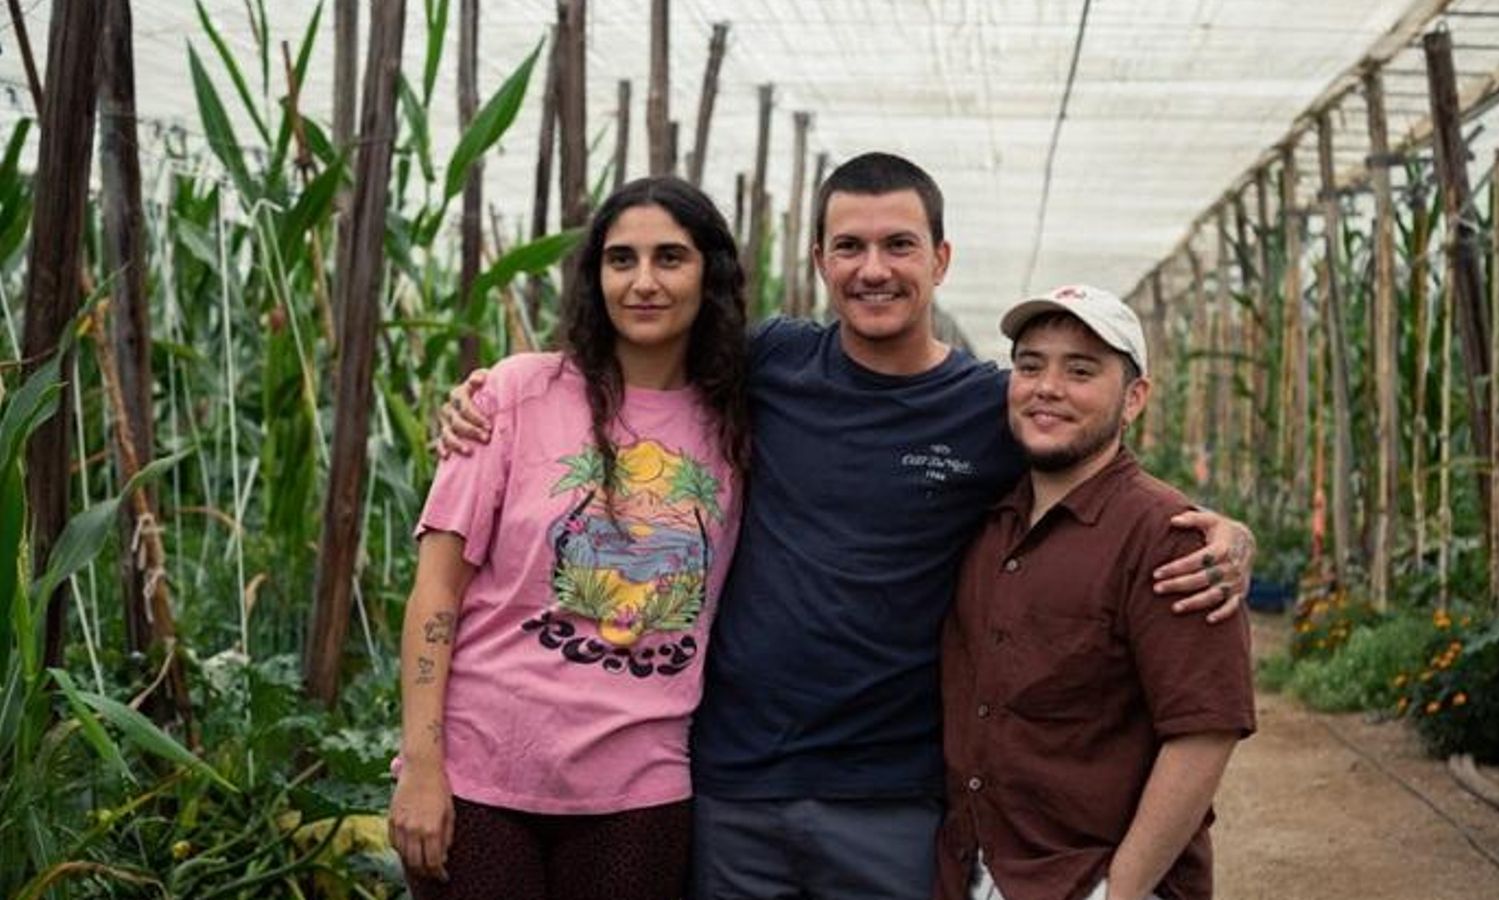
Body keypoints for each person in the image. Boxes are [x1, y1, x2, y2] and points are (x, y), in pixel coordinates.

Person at [436, 153, 1255, 900]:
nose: (873, 270)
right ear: (820, 262)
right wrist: (492, 395)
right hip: (734, 782)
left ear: (940, 260)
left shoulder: (986, 407)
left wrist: (1220, 531)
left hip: (890, 797)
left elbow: (1085, 455)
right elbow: (622, 378)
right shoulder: (764, 365)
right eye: (849, 247)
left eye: (899, 245)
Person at [388, 175, 750, 899]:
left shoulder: (741, 417)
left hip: (640, 788)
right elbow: (435, 591)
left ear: (709, 273)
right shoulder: (515, 395)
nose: (643, 282)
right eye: (621, 260)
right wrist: (423, 767)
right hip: (484, 775)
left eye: (670, 258)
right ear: (595, 276)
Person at [938, 286, 1255, 900]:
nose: (1047, 386)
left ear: (1134, 398)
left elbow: (1204, 731)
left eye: (1080, 370)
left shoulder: (1170, 541)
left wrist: (1121, 888)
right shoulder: (986, 519)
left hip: (1089, 879)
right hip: (976, 869)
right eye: (1030, 365)